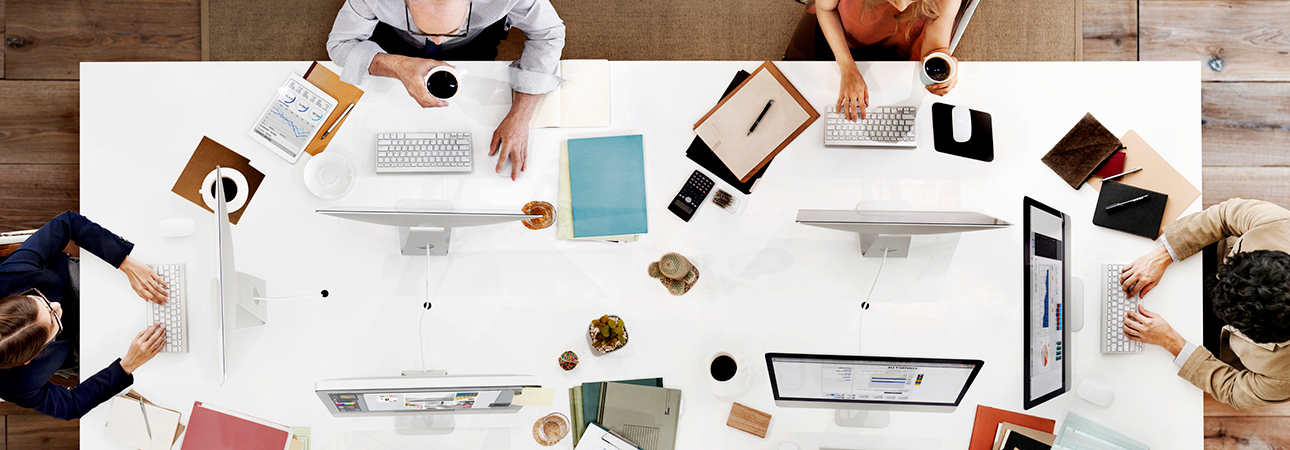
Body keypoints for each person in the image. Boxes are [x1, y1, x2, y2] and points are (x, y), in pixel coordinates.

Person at [327, 0, 566, 180]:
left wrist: (521, 114)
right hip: (393, 43)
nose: (438, 41)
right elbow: (339, 45)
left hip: (476, 45)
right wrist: (398, 66)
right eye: (424, 29)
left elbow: (549, 35)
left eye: (451, 30)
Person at [1118, 198, 1290, 410]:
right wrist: (1163, 255)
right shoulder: (1280, 226)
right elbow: (1224, 215)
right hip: (1207, 260)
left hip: (1214, 342)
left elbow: (1234, 390)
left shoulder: (1285, 378)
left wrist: (1171, 342)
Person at [0, 212, 168, 420]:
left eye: (40, 300)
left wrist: (124, 261)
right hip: (73, 346)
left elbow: (67, 223)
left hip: (71, 281)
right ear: (31, 358)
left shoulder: (8, 279)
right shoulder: (15, 385)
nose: (55, 305)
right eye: (53, 318)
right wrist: (128, 365)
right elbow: (70, 406)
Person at [789, 0, 960, 121]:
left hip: (898, 50)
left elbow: (934, 47)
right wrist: (847, 67)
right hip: (844, 37)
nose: (901, 4)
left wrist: (945, 61)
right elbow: (825, 9)